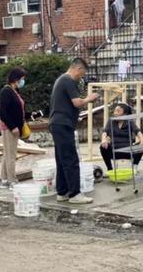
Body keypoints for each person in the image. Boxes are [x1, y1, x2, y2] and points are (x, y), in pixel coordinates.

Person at [49, 58, 99, 204]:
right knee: (71, 159)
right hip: (63, 124)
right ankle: (75, 194)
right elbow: (77, 102)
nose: (81, 77)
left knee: (62, 159)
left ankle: (62, 191)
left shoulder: (61, 80)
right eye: (82, 73)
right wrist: (90, 98)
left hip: (57, 124)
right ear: (77, 69)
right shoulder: (68, 80)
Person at [0, 67, 27, 190]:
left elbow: (18, 110)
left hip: (14, 127)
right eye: (22, 79)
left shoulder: (15, 91)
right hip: (9, 128)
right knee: (11, 155)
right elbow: (3, 112)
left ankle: (4, 180)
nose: (23, 81)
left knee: (8, 154)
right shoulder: (6, 91)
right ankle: (12, 180)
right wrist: (13, 127)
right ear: (15, 79)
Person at [100, 103, 143, 173]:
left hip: (128, 151)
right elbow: (105, 132)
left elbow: (138, 131)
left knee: (141, 146)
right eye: (115, 111)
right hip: (114, 152)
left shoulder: (129, 122)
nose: (115, 113)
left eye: (118, 111)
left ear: (125, 114)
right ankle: (110, 169)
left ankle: (134, 167)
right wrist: (103, 140)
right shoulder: (111, 121)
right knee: (102, 146)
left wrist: (142, 141)